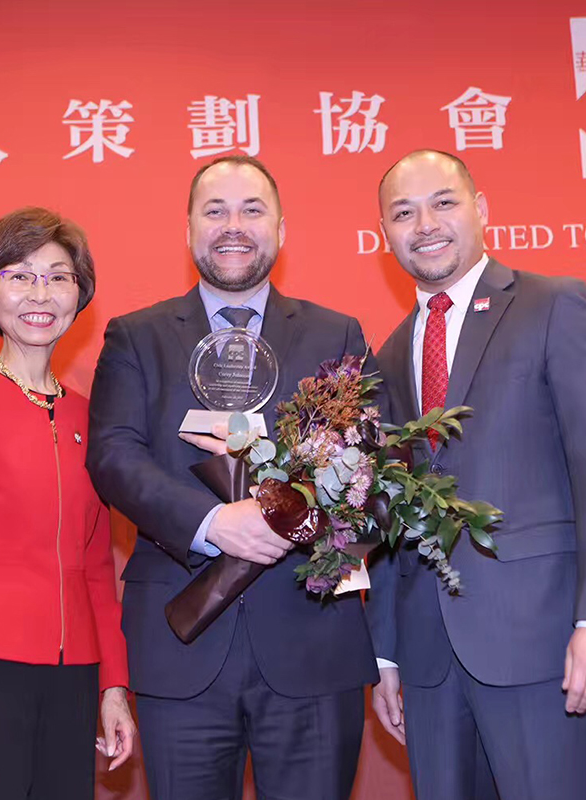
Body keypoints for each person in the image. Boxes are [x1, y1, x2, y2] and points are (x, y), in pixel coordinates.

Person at [86, 156, 377, 800]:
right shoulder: (137, 337)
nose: (233, 226)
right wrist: (214, 523)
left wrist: (275, 512)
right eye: (214, 210)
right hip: (180, 645)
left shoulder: (338, 334)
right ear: (188, 229)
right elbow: (113, 456)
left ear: (282, 228)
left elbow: (368, 474)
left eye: (252, 209)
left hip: (313, 643)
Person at [366, 150, 586, 800]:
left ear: (481, 209)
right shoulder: (387, 353)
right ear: (386, 236)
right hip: (430, 661)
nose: (425, 224)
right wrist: (383, 653)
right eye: (403, 213)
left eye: (444, 202)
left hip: (542, 642)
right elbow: (384, 514)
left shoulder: (554, 305)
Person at [0, 207, 135, 799]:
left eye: (58, 276)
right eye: (20, 275)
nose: (41, 293)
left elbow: (95, 569)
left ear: (78, 297)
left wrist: (114, 686)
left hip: (74, 681)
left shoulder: (93, 416)